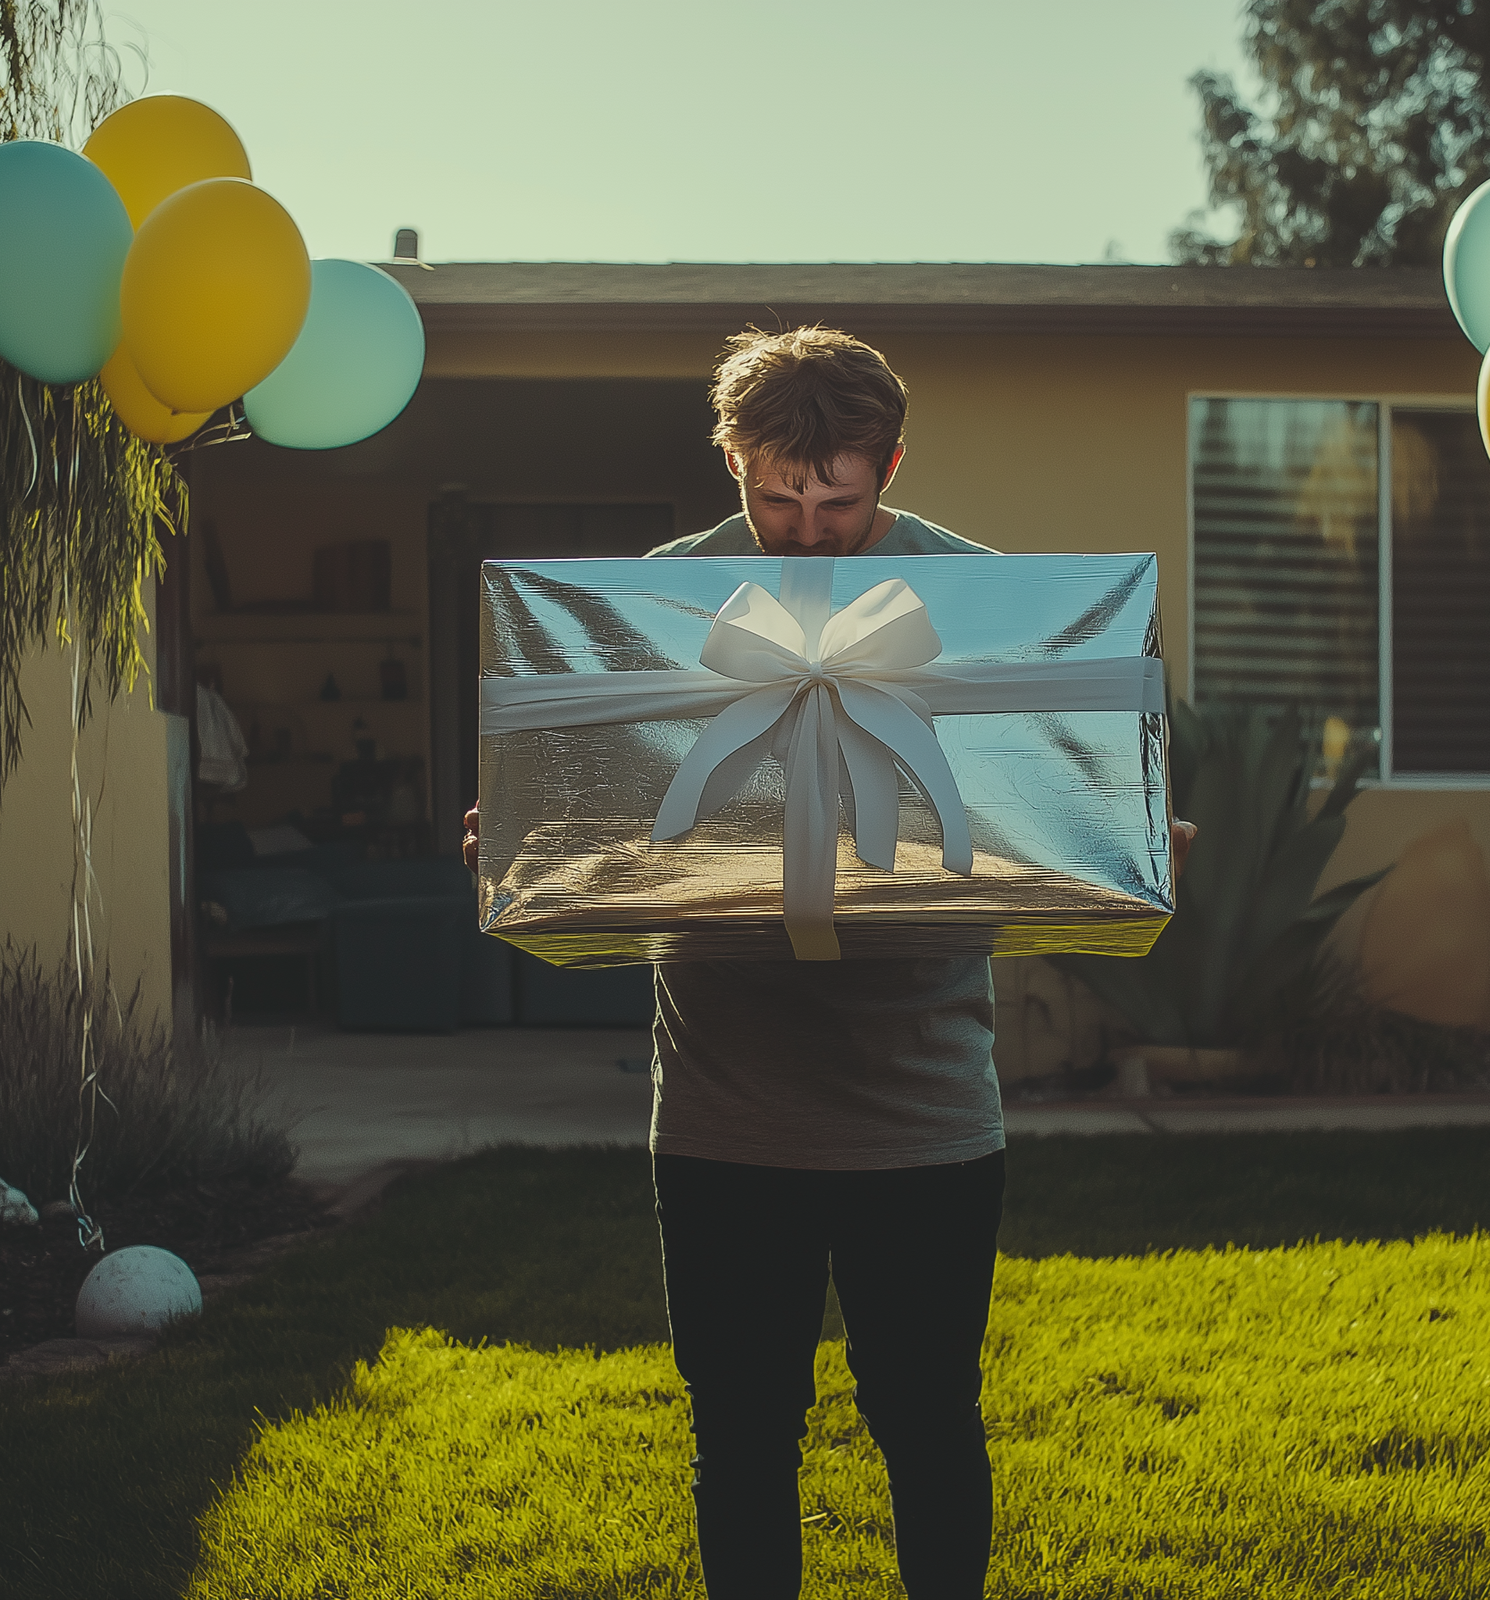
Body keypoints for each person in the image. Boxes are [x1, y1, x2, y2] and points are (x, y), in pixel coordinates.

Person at [463, 326, 1194, 1599]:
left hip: (922, 1102)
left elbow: (1062, 775)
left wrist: (1129, 828)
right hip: (721, 1103)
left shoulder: (981, 598)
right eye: (774, 499)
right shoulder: (660, 598)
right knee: (741, 1436)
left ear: (891, 467)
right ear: (734, 463)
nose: (803, 531)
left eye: (838, 504)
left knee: (926, 1422)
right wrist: (530, 822)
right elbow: (612, 799)